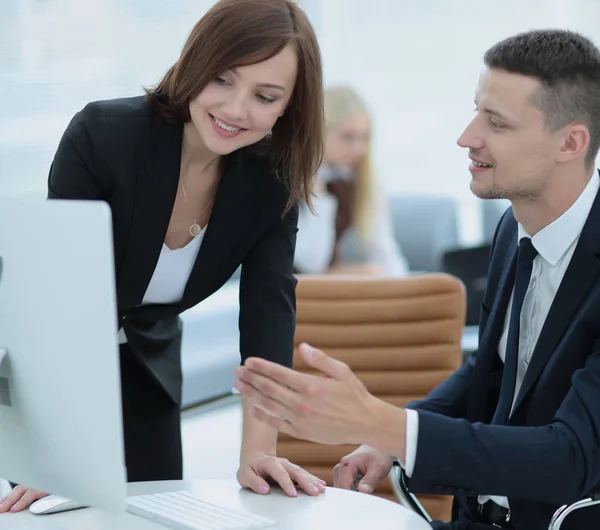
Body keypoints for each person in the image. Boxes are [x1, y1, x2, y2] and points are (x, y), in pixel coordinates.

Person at [233, 29, 600, 530]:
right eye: (476, 111)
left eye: (496, 122)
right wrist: (389, 437)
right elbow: (491, 371)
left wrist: (385, 424)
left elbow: (573, 457)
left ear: (571, 142)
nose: (467, 136)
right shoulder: (514, 227)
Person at [0, 0, 328, 515]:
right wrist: (59, 451)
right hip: (58, 361)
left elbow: (268, 312)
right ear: (195, 63)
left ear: (289, 106)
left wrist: (260, 451)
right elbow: (65, 295)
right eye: (222, 79)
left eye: (265, 96)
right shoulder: (104, 135)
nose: (237, 109)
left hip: (149, 363)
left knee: (155, 512)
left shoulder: (272, 182)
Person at [294, 86, 409, 276]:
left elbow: (383, 250)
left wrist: (409, 294)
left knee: (375, 272)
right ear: (318, 132)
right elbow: (310, 264)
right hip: (287, 288)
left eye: (364, 138)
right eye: (348, 137)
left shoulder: (354, 180)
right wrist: (318, 192)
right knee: (371, 273)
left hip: (320, 287)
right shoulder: (289, 179)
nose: (358, 149)